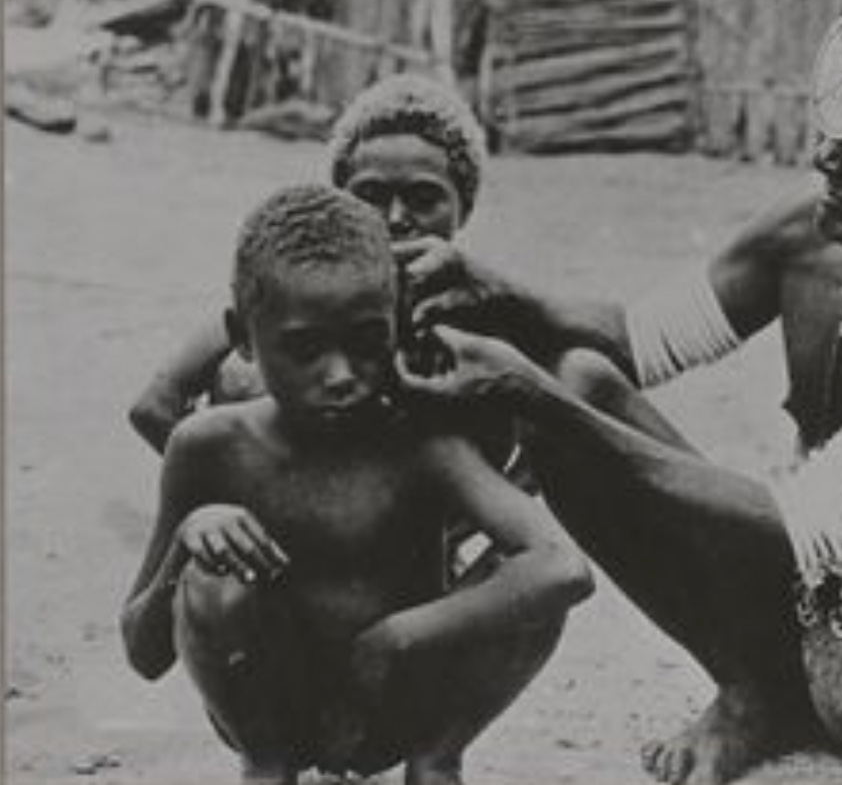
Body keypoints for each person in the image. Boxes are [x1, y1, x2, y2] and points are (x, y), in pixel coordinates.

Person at [389, 0, 842, 785]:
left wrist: (520, 390)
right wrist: (500, 297)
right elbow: (634, 341)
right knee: (580, 379)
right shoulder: (813, 240)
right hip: (806, 616)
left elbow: (800, 523)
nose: (832, 155)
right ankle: (755, 692)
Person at [120, 185, 593, 785]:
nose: (341, 375)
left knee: (523, 577)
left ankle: (437, 763)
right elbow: (142, 651)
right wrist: (189, 538)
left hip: (403, 704)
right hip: (276, 709)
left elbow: (564, 567)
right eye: (305, 348)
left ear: (396, 322)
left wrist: (396, 639)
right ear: (242, 336)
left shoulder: (424, 442)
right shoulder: (208, 447)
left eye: (368, 340)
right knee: (211, 580)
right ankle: (267, 771)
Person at [128, 72, 488, 453]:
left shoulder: (482, 315)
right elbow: (153, 406)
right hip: (277, 502)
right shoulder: (289, 296)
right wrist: (232, 480)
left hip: (435, 505)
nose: (396, 217)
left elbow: (548, 406)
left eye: (424, 198)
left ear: (464, 208)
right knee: (244, 378)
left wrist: (496, 492)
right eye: (371, 195)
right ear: (338, 201)